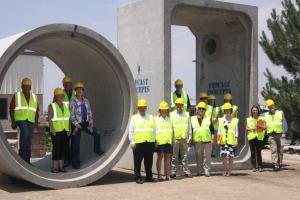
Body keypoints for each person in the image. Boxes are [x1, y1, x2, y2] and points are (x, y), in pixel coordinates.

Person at [70, 82, 104, 169]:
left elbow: (89, 112)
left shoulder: (86, 101)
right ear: (75, 91)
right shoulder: (73, 102)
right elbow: (71, 114)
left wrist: (91, 122)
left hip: (85, 123)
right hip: (77, 125)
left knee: (97, 133)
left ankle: (97, 150)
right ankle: (76, 163)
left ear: (83, 91)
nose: (79, 91)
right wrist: (76, 124)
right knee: (76, 144)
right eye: (78, 89)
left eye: (81, 89)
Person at [9, 78, 39, 165]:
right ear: (21, 86)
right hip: (20, 119)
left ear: (30, 87)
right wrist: (13, 121)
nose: (26, 87)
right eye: (24, 86)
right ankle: (21, 153)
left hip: (30, 120)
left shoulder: (34, 96)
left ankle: (27, 161)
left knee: (28, 139)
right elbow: (11, 109)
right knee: (25, 132)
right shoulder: (17, 95)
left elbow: (36, 111)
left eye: (28, 86)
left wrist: (36, 122)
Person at [128, 99, 156, 184]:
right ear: (138, 108)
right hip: (139, 143)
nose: (142, 109)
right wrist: (132, 142)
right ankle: (137, 177)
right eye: (140, 108)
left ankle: (149, 177)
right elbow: (131, 131)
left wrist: (155, 141)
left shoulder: (151, 117)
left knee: (149, 161)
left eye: (143, 107)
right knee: (137, 161)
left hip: (149, 142)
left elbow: (154, 130)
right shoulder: (134, 118)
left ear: (146, 108)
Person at [48, 88, 71, 173]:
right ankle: (54, 166)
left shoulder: (65, 105)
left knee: (63, 148)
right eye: (58, 95)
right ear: (55, 97)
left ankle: (60, 166)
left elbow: (68, 118)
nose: (60, 97)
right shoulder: (52, 106)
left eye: (62, 95)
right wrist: (52, 130)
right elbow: (50, 119)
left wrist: (69, 129)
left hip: (64, 129)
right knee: (56, 148)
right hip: (56, 130)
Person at [170, 98, 193, 178]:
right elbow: (171, 128)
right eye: (177, 104)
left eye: (180, 104)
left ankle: (186, 171)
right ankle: (173, 171)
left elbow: (189, 126)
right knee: (174, 157)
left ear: (183, 105)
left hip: (184, 138)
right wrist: (171, 139)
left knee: (184, 157)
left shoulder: (186, 114)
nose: (179, 106)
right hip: (175, 138)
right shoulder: (172, 114)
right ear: (175, 105)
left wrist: (190, 137)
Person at [191, 102, 215, 177]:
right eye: (200, 108)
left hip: (207, 140)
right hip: (197, 140)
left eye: (203, 109)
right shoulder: (193, 119)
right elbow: (191, 130)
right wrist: (191, 140)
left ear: (205, 110)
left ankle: (207, 171)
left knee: (207, 156)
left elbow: (212, 129)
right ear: (197, 109)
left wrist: (213, 139)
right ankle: (199, 171)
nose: (201, 110)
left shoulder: (208, 118)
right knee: (199, 156)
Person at [263, 99, 288, 171]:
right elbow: (257, 113)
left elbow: (284, 123)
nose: (270, 107)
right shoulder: (266, 115)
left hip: (280, 134)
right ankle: (275, 165)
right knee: (273, 150)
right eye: (269, 106)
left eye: (271, 105)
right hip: (271, 135)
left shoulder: (280, 113)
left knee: (280, 150)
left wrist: (284, 132)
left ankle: (279, 163)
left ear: (274, 105)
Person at [218, 103, 239, 177]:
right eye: (226, 109)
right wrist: (219, 140)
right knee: (223, 156)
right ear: (224, 110)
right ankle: (225, 170)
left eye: (229, 109)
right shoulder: (221, 120)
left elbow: (236, 131)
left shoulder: (235, 120)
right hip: (223, 141)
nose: (227, 110)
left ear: (231, 110)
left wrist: (236, 140)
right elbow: (219, 131)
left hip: (231, 140)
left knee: (231, 156)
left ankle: (229, 171)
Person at [154, 102, 174, 181]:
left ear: (167, 110)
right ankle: (159, 174)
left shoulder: (170, 119)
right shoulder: (156, 119)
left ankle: (167, 175)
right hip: (159, 141)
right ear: (160, 110)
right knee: (160, 158)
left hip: (167, 141)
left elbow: (172, 130)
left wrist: (173, 140)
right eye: (162, 109)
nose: (164, 111)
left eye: (165, 109)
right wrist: (155, 141)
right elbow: (154, 131)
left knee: (167, 158)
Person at [246, 106, 266, 172]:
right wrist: (253, 128)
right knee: (252, 152)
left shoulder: (262, 118)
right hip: (252, 136)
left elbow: (265, 127)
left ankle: (260, 166)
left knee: (259, 152)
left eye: (256, 110)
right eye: (253, 110)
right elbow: (246, 128)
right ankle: (253, 166)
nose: (255, 111)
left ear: (258, 111)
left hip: (259, 137)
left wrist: (259, 126)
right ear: (251, 111)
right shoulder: (249, 119)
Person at [62, 76, 75, 167]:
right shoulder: (60, 93)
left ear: (71, 84)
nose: (67, 85)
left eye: (68, 84)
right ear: (63, 85)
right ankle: (66, 159)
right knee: (65, 142)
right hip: (65, 121)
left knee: (74, 141)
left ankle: (74, 158)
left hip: (74, 121)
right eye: (65, 84)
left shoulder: (76, 93)